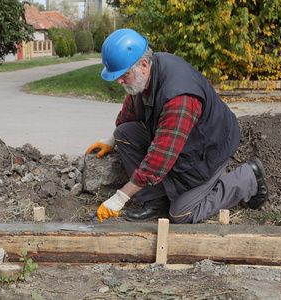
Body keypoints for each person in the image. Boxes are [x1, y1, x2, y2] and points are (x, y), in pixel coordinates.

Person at [87, 28, 269, 223]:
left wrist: (120, 197)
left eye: (124, 74)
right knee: (124, 133)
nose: (119, 80)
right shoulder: (144, 76)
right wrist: (112, 140)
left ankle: (248, 178)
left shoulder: (179, 97)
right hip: (181, 141)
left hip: (207, 148)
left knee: (181, 215)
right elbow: (130, 113)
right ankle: (157, 201)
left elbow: (159, 159)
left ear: (144, 65)